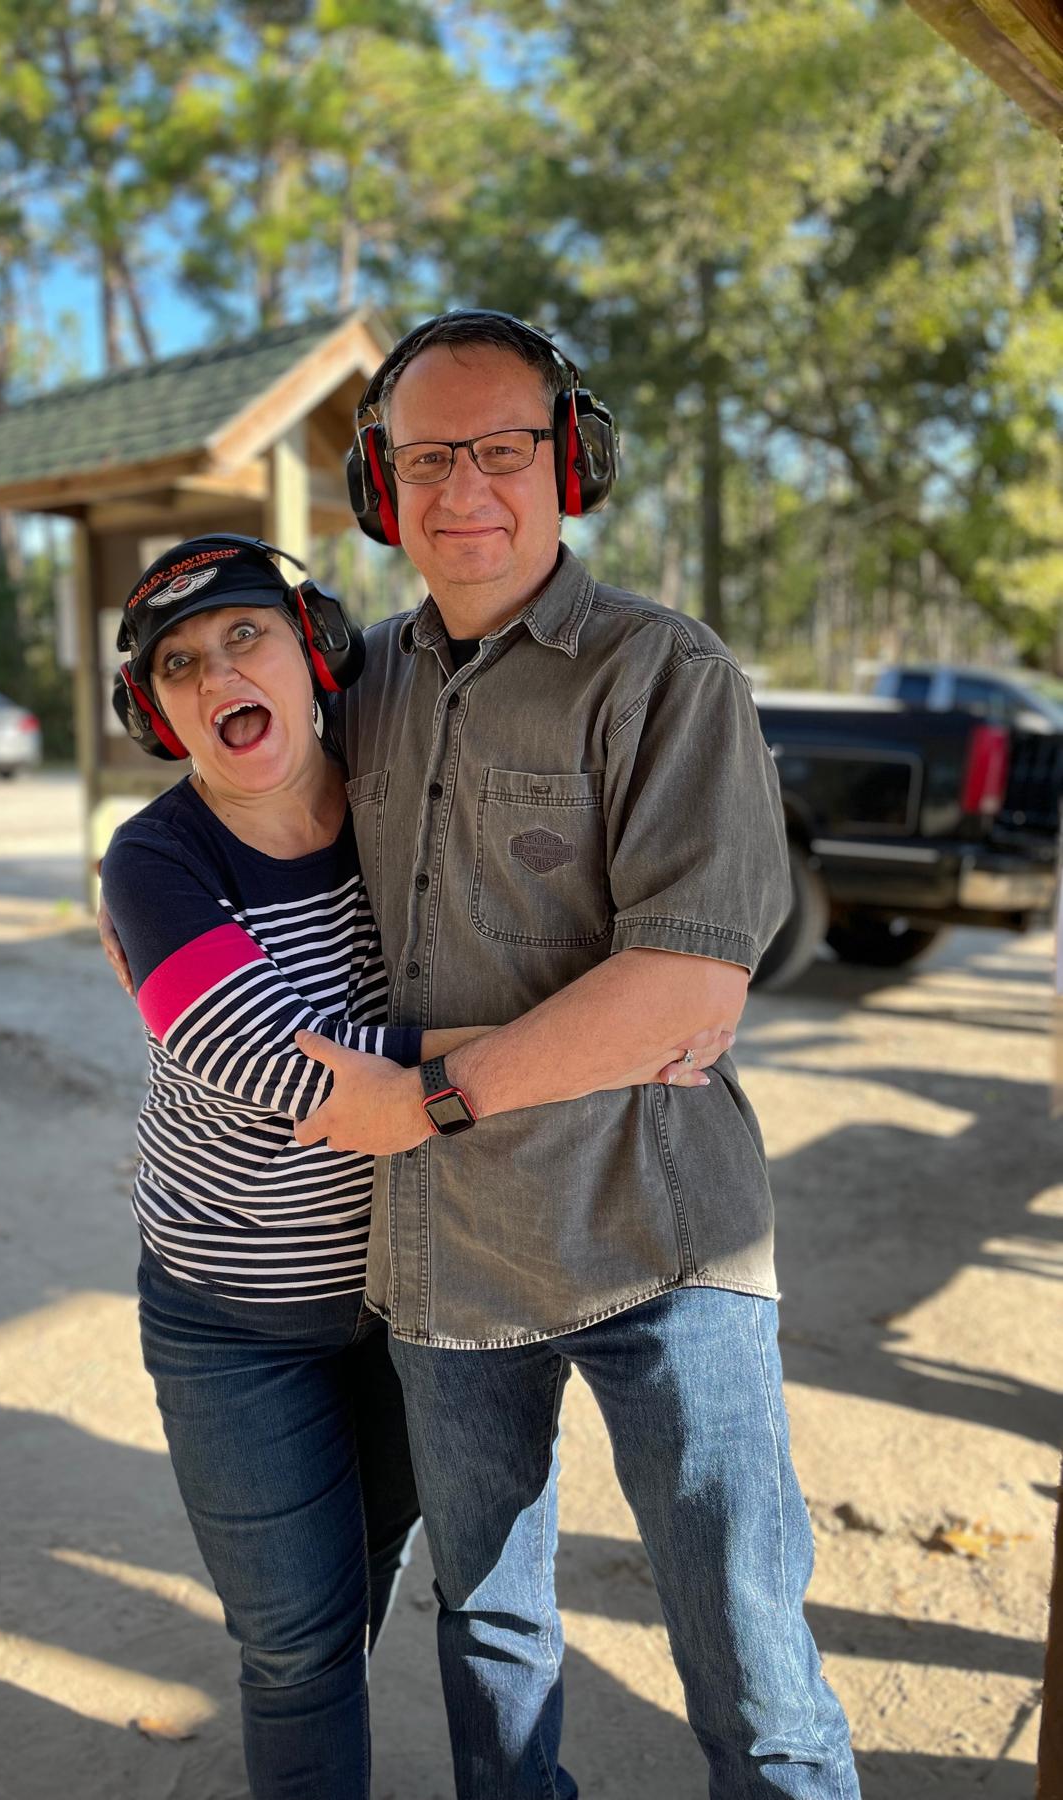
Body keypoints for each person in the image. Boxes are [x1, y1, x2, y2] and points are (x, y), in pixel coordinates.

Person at [283, 311, 862, 1798]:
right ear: (378, 484)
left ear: (572, 464)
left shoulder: (664, 673)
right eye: (426, 458)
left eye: (501, 449)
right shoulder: (362, 686)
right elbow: (239, 810)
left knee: (749, 1662)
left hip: (657, 1237)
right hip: (448, 1260)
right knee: (489, 1634)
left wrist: (429, 1095)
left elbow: (682, 987)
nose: (463, 487)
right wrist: (139, 893)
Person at [97, 529, 723, 1800]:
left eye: (245, 635)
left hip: (407, 1302)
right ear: (156, 713)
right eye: (179, 665)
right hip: (235, 1319)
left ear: (315, 648)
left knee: (365, 1602)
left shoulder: (403, 810)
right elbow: (283, 1068)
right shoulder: (154, 862)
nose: (219, 676)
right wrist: (590, 1042)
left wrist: (623, 1007)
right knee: (297, 1647)